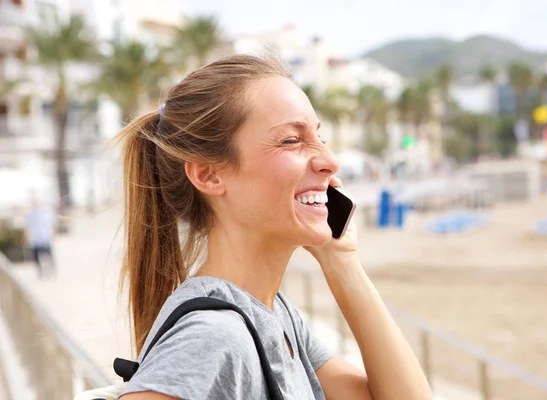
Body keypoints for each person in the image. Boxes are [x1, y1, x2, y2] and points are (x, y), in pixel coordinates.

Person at [117, 55, 430, 400]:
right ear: (209, 175)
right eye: (292, 140)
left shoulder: (275, 318)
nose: (329, 161)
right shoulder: (214, 337)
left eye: (319, 137)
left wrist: (342, 263)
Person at [24, 197, 56, 278]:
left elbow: (50, 225)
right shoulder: (30, 214)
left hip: (45, 237)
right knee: (36, 256)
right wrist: (27, 238)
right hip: (35, 238)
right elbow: (27, 227)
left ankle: (51, 269)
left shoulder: (46, 213)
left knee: (49, 254)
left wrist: (52, 236)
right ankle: (40, 271)